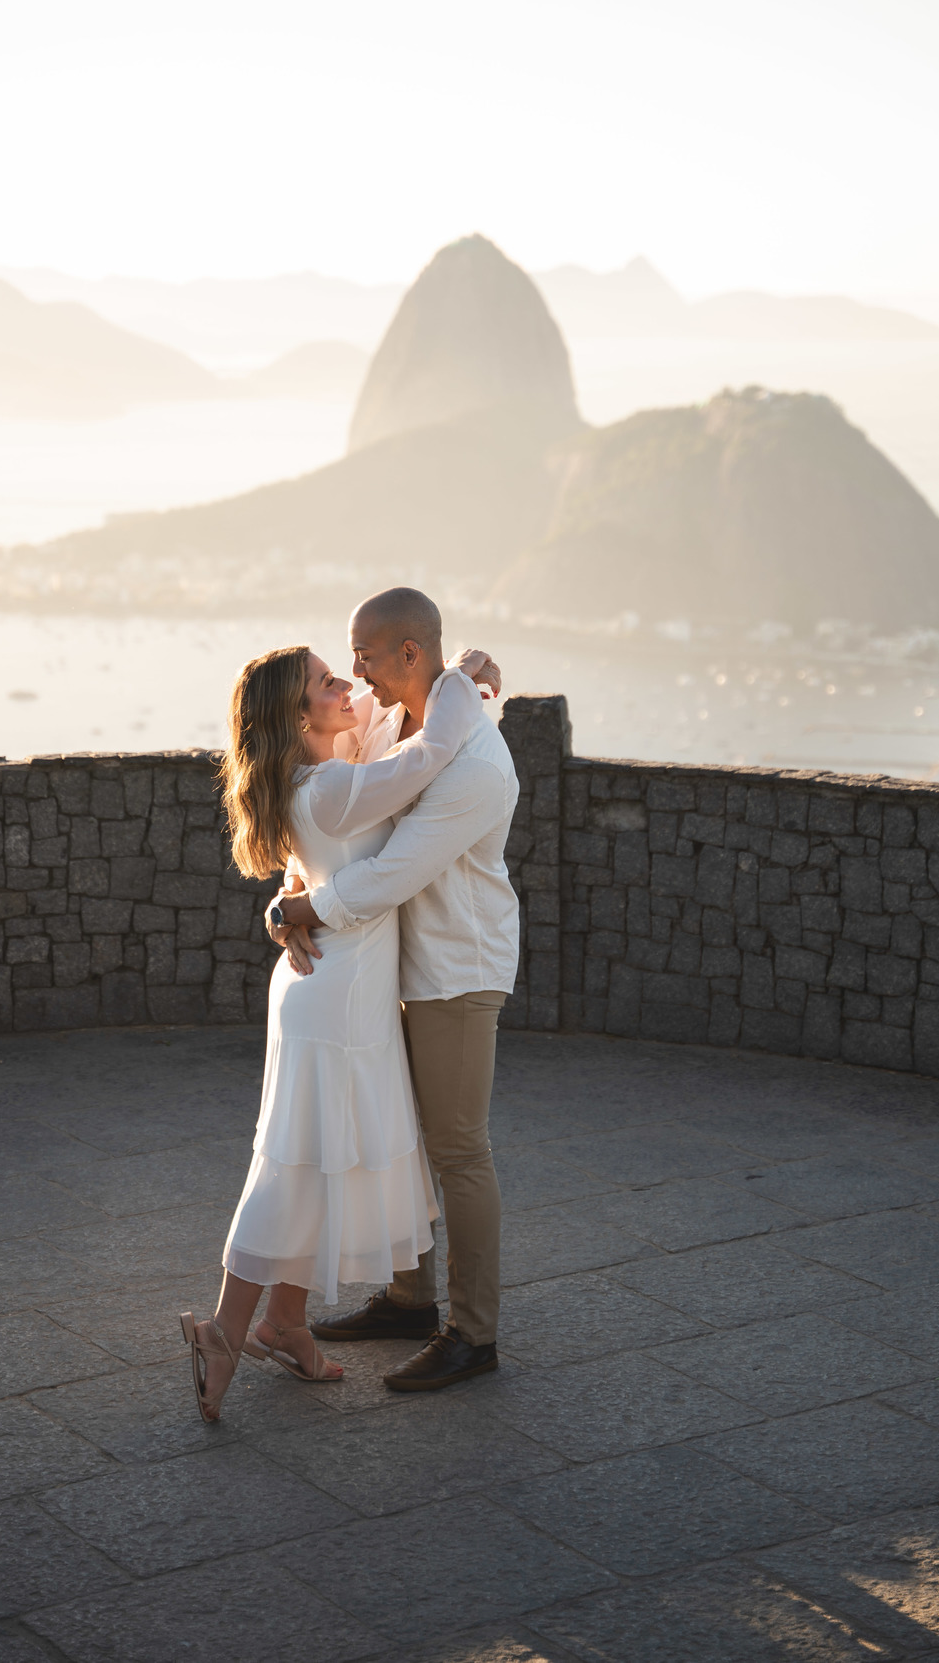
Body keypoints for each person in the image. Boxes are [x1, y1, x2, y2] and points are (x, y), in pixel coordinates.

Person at [180, 637, 496, 1422]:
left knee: (311, 1160)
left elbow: (395, 727)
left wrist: (474, 671)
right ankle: (224, 1329)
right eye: (328, 681)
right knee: (293, 1169)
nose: (347, 683)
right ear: (298, 714)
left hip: (326, 989)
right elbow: (430, 753)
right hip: (341, 996)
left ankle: (285, 1322)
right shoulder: (331, 788)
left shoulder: (320, 779)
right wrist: (458, 677)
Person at [269, 586, 520, 1393]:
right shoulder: (387, 723)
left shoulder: (475, 763)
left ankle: (472, 1333)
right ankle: (412, 1299)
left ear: (411, 653)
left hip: (453, 971)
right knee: (411, 1139)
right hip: (393, 965)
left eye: (366, 655)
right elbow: (336, 824)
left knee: (457, 1148)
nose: (354, 671)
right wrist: (288, 895)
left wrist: (303, 907)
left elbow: (390, 872)